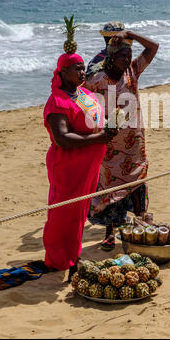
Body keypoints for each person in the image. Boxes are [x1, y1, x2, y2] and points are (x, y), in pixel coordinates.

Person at [42, 51, 116, 277]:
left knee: (79, 213)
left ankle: (72, 255)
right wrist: (99, 138)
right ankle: (57, 259)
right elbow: (62, 138)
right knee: (64, 213)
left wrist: (109, 125)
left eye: (83, 67)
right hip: (68, 167)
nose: (83, 72)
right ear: (62, 72)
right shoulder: (57, 101)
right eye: (77, 68)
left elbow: (92, 119)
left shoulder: (83, 93)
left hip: (88, 166)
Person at [84, 29, 159, 250]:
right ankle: (110, 232)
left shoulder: (133, 71)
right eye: (122, 56)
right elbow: (84, 100)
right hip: (110, 144)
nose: (127, 60)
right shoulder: (96, 79)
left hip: (135, 141)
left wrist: (130, 34)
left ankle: (140, 225)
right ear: (110, 57)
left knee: (137, 180)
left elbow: (153, 47)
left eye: (129, 55)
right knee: (109, 185)